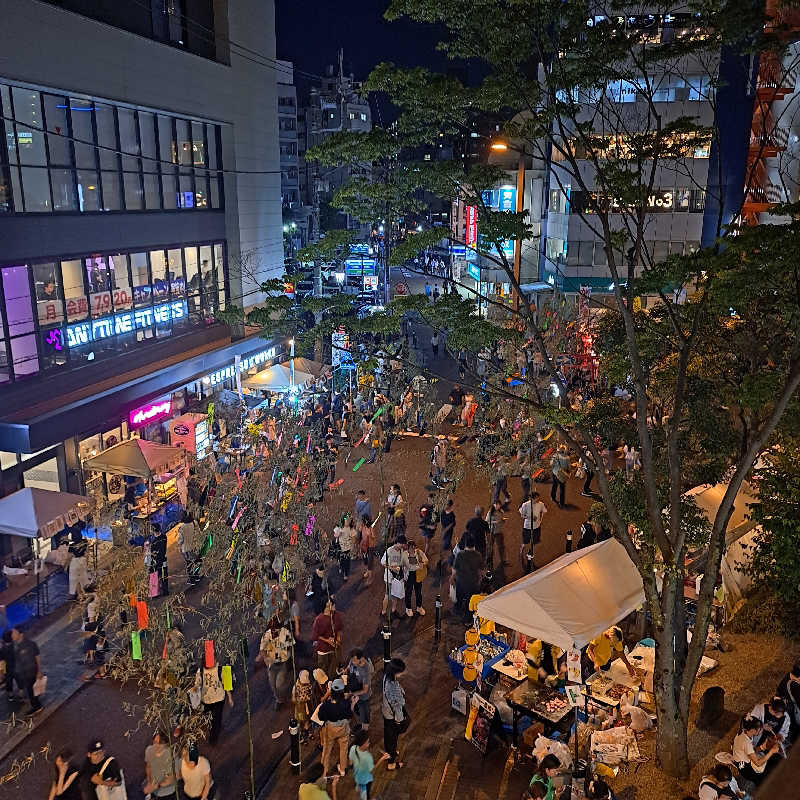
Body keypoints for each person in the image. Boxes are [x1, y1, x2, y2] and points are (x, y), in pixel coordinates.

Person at [193, 654, 233, 745]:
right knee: (207, 718)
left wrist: (229, 697)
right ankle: (210, 731)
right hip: (206, 700)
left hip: (218, 699)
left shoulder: (220, 669)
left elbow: (226, 683)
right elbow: (197, 683)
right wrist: (195, 688)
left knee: (216, 719)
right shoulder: (201, 671)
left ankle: (213, 739)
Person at [319, 677, 352, 777]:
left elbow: (321, 717)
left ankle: (324, 772)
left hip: (331, 728)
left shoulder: (326, 705)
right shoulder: (345, 703)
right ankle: (342, 769)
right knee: (344, 748)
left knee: (327, 749)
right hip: (343, 727)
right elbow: (349, 715)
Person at [733, 716, 782, 784]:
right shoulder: (746, 743)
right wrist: (771, 752)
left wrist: (763, 747)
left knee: (769, 758)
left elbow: (750, 750)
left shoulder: (744, 731)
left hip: (744, 757)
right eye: (759, 729)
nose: (761, 730)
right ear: (752, 730)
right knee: (765, 776)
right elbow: (758, 763)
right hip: (745, 768)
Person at [257, 621, 294, 709]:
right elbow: (262, 649)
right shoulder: (267, 635)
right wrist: (266, 658)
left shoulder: (285, 632)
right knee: (273, 685)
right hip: (272, 664)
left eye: (276, 630)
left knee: (279, 685)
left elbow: (291, 645)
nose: (274, 633)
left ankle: (282, 698)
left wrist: (291, 658)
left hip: (283, 663)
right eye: (272, 630)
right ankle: (279, 699)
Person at [382, 657, 408, 770]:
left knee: (389, 736)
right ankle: (391, 763)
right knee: (392, 737)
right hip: (392, 716)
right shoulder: (392, 686)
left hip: (386, 712)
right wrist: (399, 720)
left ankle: (390, 753)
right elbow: (397, 706)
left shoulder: (386, 677)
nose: (403, 673)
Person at [349, 728, 387, 800]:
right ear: (363, 744)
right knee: (366, 794)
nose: (369, 743)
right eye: (368, 742)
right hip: (366, 780)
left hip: (357, 775)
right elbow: (372, 769)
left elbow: (350, 762)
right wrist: (382, 759)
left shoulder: (353, 748)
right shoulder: (367, 757)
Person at [11, 626, 42, 714]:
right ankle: (35, 704)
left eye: (14, 633)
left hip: (31, 672)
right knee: (29, 690)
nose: (12, 635)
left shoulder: (30, 644)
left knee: (32, 691)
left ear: (21, 634)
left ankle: (37, 706)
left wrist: (39, 671)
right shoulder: (15, 646)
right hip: (24, 674)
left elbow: (37, 657)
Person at [312, 597, 344, 678]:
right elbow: (316, 636)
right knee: (323, 672)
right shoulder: (319, 619)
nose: (332, 606)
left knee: (333, 671)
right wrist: (327, 640)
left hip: (334, 648)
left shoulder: (336, 615)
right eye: (329, 605)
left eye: (332, 604)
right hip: (323, 650)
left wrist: (338, 640)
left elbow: (339, 629)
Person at [453, 536, 483, 619]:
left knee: (459, 597)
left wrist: (451, 578)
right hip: (473, 583)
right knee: (470, 601)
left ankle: (458, 610)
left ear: (466, 545)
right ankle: (468, 618)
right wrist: (480, 579)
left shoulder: (460, 554)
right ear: (474, 545)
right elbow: (480, 570)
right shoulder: (478, 555)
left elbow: (455, 569)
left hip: (461, 582)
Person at [144, 730, 178, 799]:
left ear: (166, 744)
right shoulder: (149, 750)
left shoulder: (171, 755)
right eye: (155, 742)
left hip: (168, 793)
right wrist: (149, 781)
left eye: (160, 744)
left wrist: (156, 786)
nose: (156, 746)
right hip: (154, 791)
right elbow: (148, 767)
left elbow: (173, 776)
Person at [518, 491, 546, 571]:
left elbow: (544, 511)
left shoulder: (541, 504)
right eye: (536, 498)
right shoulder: (525, 505)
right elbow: (522, 515)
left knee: (534, 541)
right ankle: (522, 549)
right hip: (527, 527)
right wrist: (530, 517)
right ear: (532, 499)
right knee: (525, 541)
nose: (538, 499)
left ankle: (530, 552)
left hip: (537, 527)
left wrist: (541, 519)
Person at [347, 649, 375, 731]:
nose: (352, 662)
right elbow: (349, 666)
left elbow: (365, 690)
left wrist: (352, 694)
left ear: (361, 658)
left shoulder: (366, 670)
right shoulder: (353, 660)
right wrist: (344, 671)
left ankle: (364, 732)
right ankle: (360, 722)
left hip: (363, 697)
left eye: (354, 660)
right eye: (352, 660)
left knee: (364, 715)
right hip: (355, 692)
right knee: (357, 710)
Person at [381, 536, 407, 617]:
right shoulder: (389, 550)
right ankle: (383, 612)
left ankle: (393, 610)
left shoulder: (401, 550)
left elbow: (402, 561)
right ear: (397, 542)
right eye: (402, 544)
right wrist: (392, 568)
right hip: (389, 576)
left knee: (395, 595)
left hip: (397, 577)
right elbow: (382, 562)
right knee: (387, 595)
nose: (402, 546)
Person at [403, 539, 428, 616]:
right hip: (409, 575)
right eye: (411, 548)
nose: (413, 549)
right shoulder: (404, 554)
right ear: (408, 548)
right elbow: (410, 567)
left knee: (418, 592)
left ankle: (419, 607)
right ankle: (408, 608)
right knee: (408, 592)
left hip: (418, 575)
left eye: (414, 547)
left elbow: (426, 559)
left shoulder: (418, 552)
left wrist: (423, 563)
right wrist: (419, 566)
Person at [292, 670, 314, 739]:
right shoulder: (296, 686)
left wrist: (309, 697)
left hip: (306, 705)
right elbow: (293, 697)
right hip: (299, 707)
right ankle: (302, 733)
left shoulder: (308, 685)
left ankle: (307, 731)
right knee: (301, 719)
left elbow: (311, 692)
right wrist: (296, 700)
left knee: (306, 718)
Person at [437, 499, 456, 577]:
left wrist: (445, 530)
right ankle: (452, 553)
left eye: (447, 505)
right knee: (446, 544)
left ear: (449, 506)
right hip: (444, 531)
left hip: (448, 533)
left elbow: (452, 524)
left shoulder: (451, 515)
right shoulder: (443, 512)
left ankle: (446, 559)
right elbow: (440, 520)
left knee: (445, 544)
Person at [68, 531, 90, 597]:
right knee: (83, 577)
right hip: (83, 560)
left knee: (75, 579)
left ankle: (79, 594)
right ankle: (83, 592)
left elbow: (70, 556)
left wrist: (66, 566)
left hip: (74, 562)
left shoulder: (72, 545)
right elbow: (87, 552)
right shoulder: (85, 542)